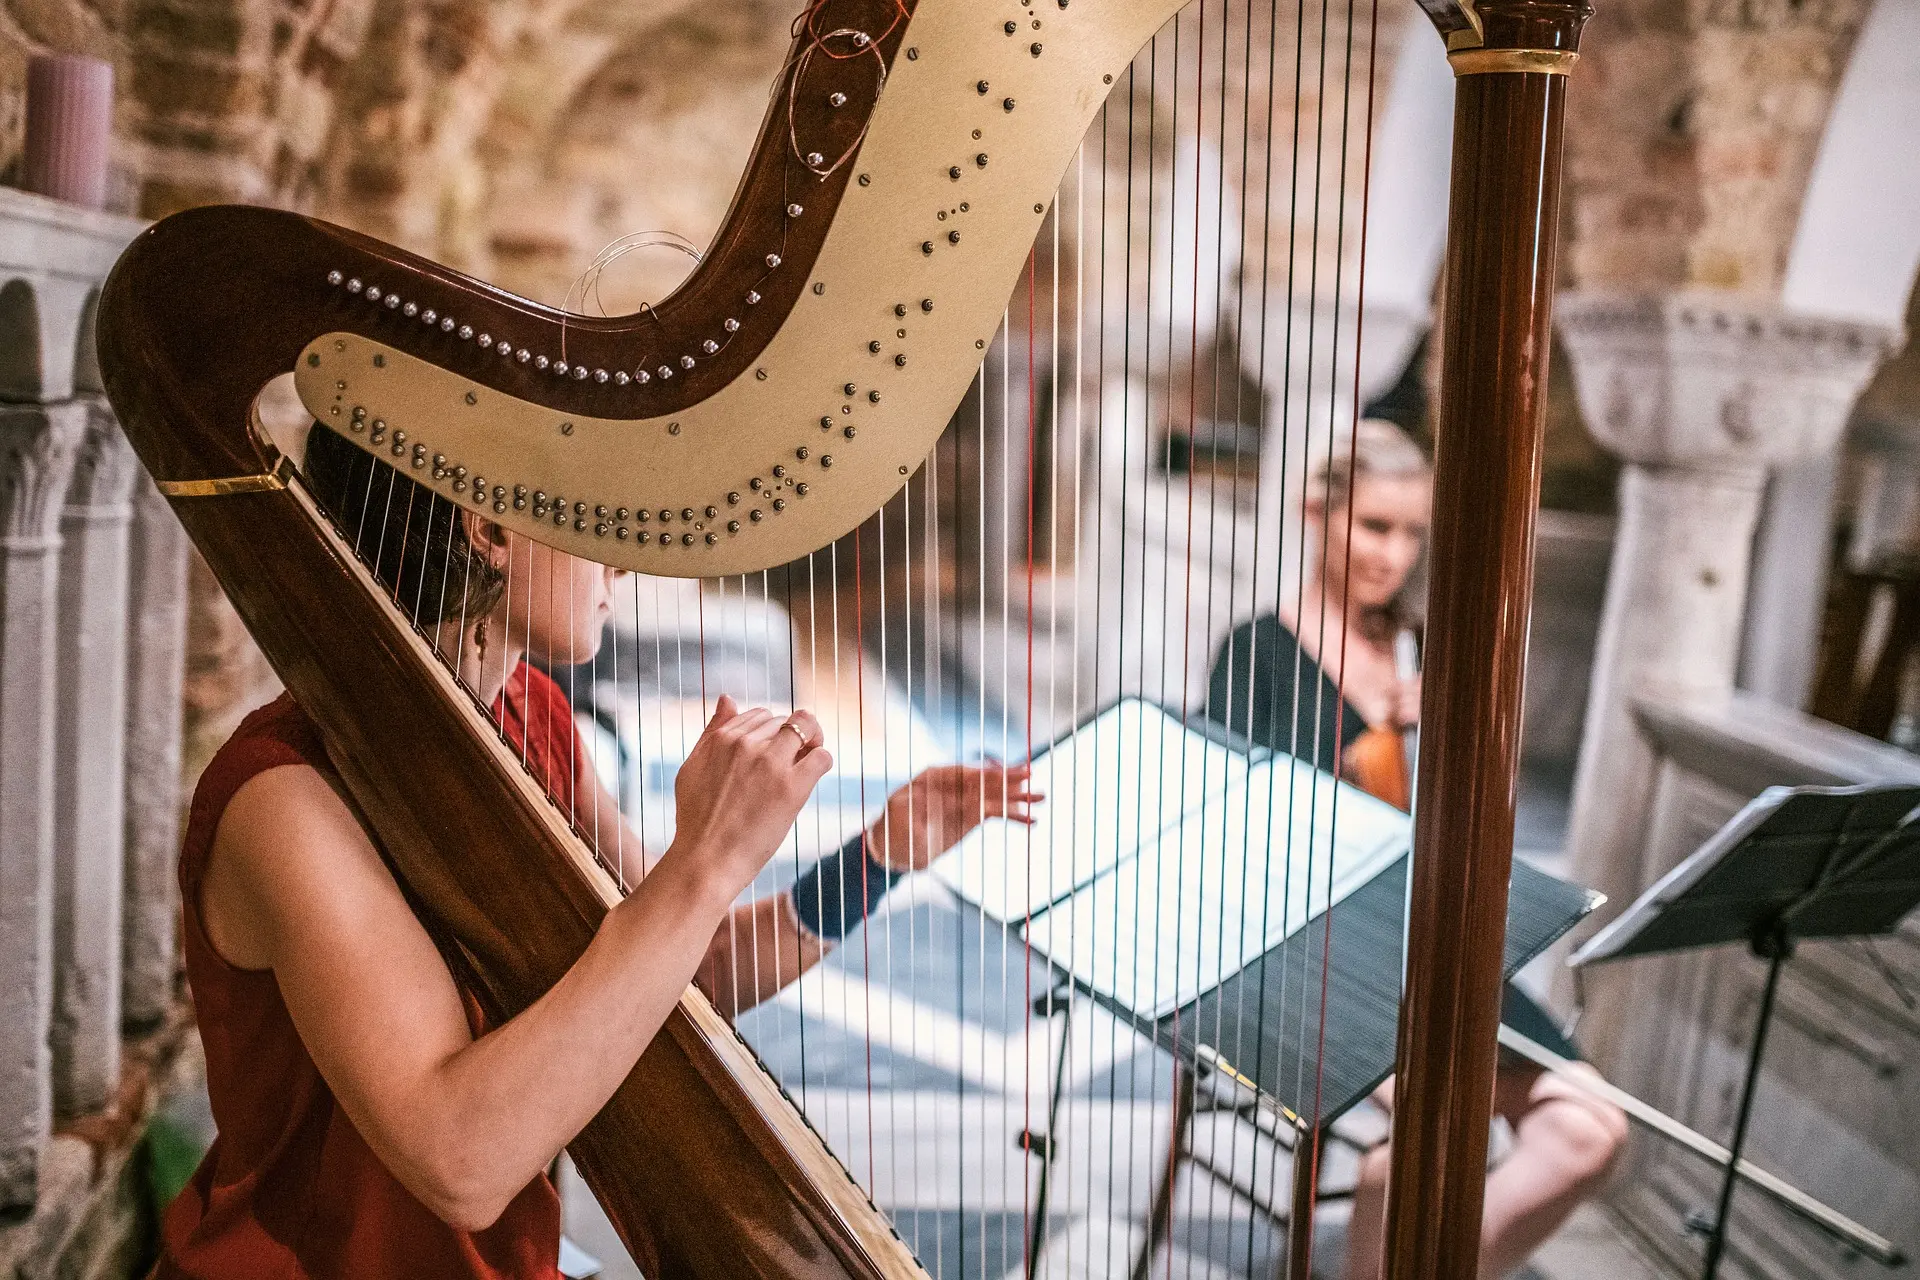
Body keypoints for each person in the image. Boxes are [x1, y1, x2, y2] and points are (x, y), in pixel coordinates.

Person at [156, 422, 1038, 1278]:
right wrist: (707, 860)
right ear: (490, 528)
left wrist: (878, 858)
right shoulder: (283, 800)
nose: (617, 558)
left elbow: (690, 970)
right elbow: (458, 1161)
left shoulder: (534, 717)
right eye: (592, 516)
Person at [1204, 419, 1627, 1280]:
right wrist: (1364, 751)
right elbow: (1244, 840)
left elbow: (1467, 827)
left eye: (1409, 534)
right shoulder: (1257, 652)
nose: (1392, 555)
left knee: (1591, 1129)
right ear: (1313, 513)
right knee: (1437, 1152)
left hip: (1430, 947)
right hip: (1310, 956)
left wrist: (1453, 733)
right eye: (1373, 526)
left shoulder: (1420, 651)